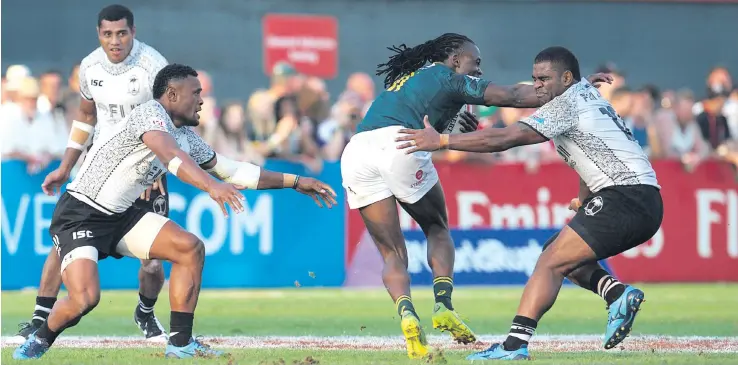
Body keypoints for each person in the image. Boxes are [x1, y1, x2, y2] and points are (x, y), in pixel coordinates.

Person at [13, 64, 337, 360]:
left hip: (122, 215)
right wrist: (211, 187)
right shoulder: (150, 113)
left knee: (189, 247)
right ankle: (41, 338)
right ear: (172, 94)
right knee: (85, 299)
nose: (201, 101)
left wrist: (296, 181)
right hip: (82, 212)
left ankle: (180, 343)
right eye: (196, 93)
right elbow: (170, 157)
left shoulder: (185, 136)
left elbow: (234, 171)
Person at [339, 33, 613, 359]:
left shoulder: (410, 76)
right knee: (437, 228)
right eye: (475, 62)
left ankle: (407, 313)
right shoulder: (451, 78)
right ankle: (443, 306)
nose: (478, 70)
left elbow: (420, 107)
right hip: (400, 144)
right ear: (456, 59)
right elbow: (512, 95)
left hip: (356, 151)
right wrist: (573, 89)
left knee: (391, 251)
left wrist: (453, 119)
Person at [395, 46, 662, 361]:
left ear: (566, 77)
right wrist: (585, 199)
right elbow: (588, 152)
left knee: (550, 262)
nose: (537, 85)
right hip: (637, 197)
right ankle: (616, 294)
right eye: (534, 79)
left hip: (625, 198)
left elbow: (505, 138)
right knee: (560, 253)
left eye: (544, 79)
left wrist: (442, 141)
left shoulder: (564, 105)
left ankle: (514, 345)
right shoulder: (583, 94)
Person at [14, 4, 172, 342]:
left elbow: (169, 121)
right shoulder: (89, 67)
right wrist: (65, 166)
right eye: (107, 34)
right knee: (63, 244)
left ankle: (145, 313)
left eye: (122, 33)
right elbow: (86, 117)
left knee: (153, 259)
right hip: (97, 171)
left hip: (144, 172)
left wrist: (157, 166)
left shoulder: (153, 67)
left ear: (133, 31)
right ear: (99, 34)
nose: (115, 41)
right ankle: (40, 317)